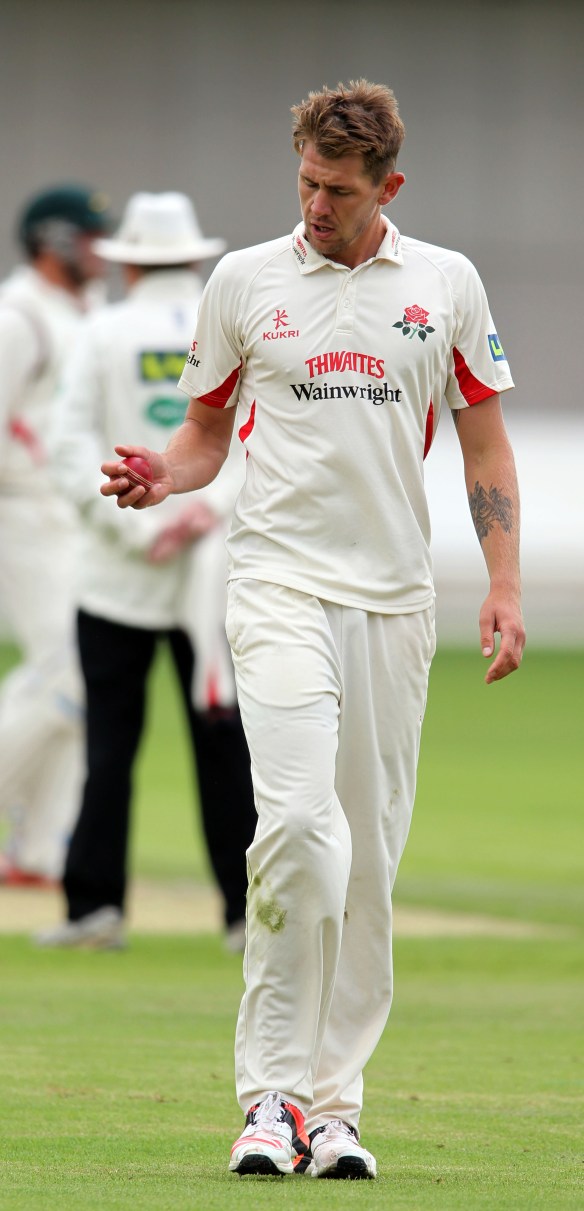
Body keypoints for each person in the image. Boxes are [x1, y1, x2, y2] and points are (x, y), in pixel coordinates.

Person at [100, 82, 526, 1179]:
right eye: (303, 183)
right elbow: (202, 435)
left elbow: (483, 448)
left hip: (391, 602)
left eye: (337, 191)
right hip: (275, 583)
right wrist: (160, 473)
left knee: (369, 860)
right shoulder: (244, 281)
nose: (315, 206)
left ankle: (334, 1106)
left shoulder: (445, 286)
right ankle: (269, 1096)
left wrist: (502, 583)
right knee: (296, 827)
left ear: (389, 186)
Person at [37, 192, 257, 952]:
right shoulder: (225, 322)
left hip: (117, 578)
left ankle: (95, 909)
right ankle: (246, 913)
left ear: (128, 263)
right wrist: (207, 511)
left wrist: (138, 532)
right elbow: (257, 437)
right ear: (195, 258)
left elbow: (68, 452)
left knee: (109, 750)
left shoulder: (101, 330)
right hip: (211, 575)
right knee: (225, 746)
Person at [0, 184, 111, 885]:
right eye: (92, 235)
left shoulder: (86, 314)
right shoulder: (17, 316)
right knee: (63, 671)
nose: (103, 249)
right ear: (55, 239)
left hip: (74, 516)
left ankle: (39, 849)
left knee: (82, 679)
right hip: (23, 511)